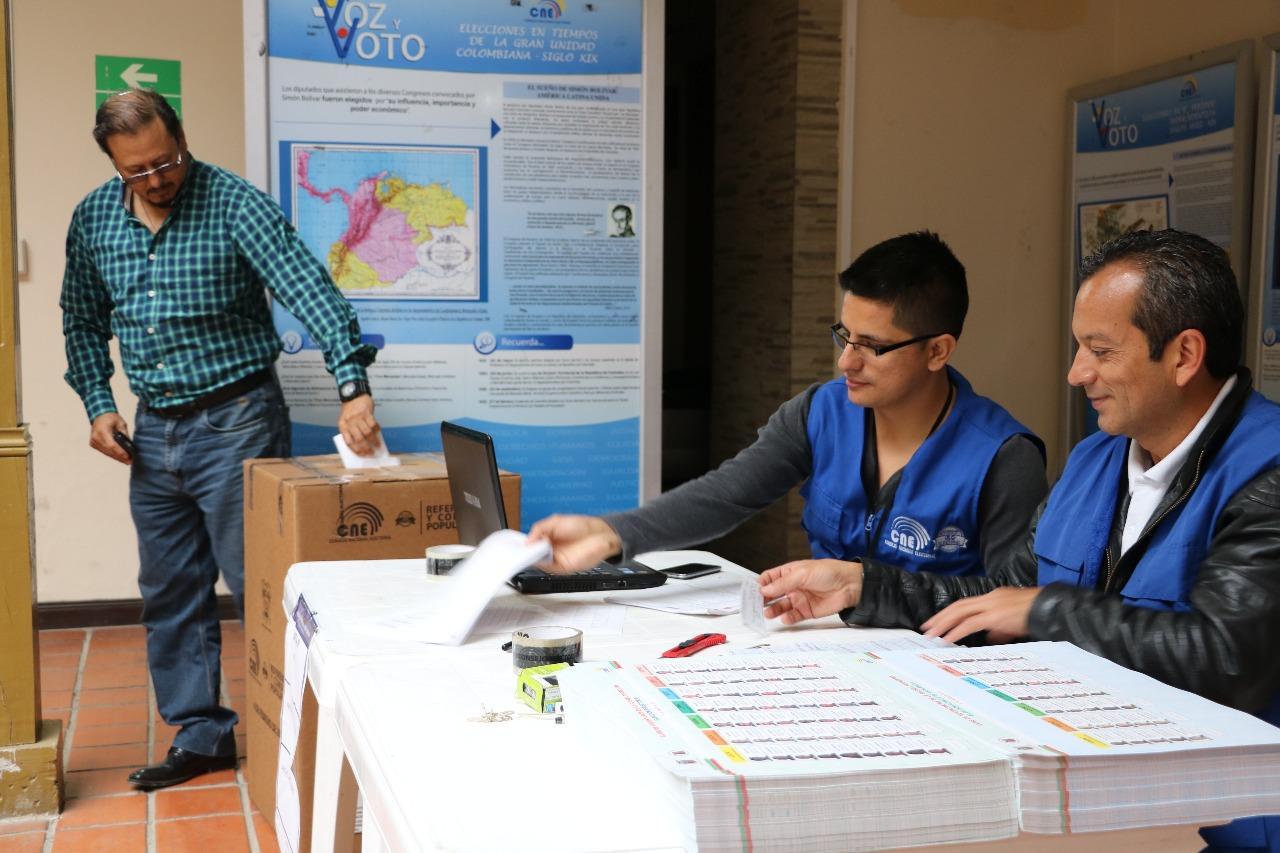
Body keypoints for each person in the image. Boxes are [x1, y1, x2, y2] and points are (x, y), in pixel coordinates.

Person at [758, 228, 1280, 851]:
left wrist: (1047, 611)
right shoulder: (1096, 459)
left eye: (1100, 350)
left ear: (1185, 354)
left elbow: (1226, 659)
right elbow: (1001, 595)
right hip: (1093, 800)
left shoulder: (1265, 472)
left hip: (1222, 820)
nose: (1075, 373)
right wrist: (862, 586)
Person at [60, 89, 383, 789]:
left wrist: (352, 384)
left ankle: (307, 722)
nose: (156, 179)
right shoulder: (93, 219)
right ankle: (202, 734)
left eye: (165, 160)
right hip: (152, 432)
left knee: (263, 584)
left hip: (237, 419)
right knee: (169, 588)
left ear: (181, 136)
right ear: (114, 166)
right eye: (137, 171)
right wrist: (97, 403)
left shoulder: (234, 203)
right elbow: (81, 320)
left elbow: (311, 288)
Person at [531, 231, 1047, 579]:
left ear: (938, 351)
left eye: (873, 345)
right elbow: (727, 495)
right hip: (823, 655)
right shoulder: (821, 412)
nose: (847, 361)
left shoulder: (1003, 458)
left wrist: (869, 592)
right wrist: (611, 532)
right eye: (844, 335)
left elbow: (1009, 608)